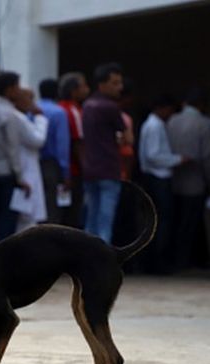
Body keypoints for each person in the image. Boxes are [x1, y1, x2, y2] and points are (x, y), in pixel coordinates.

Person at [138, 93, 187, 274]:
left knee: (160, 221)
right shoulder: (154, 126)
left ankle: (156, 260)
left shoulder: (156, 125)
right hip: (157, 177)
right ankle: (158, 261)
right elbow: (153, 156)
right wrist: (177, 160)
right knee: (162, 221)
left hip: (156, 176)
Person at [168, 88, 210, 270]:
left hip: (173, 180)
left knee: (176, 221)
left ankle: (175, 259)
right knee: (190, 224)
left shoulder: (171, 120)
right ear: (202, 105)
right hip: (195, 183)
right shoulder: (203, 124)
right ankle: (184, 261)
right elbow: (207, 157)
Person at [0, 71, 30, 243]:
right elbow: (12, 148)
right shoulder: (10, 114)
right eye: (17, 86)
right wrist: (20, 176)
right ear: (9, 89)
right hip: (6, 173)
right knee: (6, 220)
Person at [81, 62, 125, 244]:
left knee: (91, 221)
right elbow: (127, 137)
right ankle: (102, 265)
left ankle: (85, 264)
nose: (120, 87)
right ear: (102, 84)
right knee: (105, 222)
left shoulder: (87, 105)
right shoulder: (110, 107)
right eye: (115, 83)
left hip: (90, 169)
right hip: (108, 169)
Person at [12, 87, 48, 232]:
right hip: (25, 170)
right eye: (29, 98)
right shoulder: (19, 118)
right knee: (26, 217)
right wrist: (40, 118)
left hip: (28, 167)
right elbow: (37, 139)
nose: (33, 103)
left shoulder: (23, 117)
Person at [57, 71, 90, 227]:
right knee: (73, 215)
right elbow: (78, 143)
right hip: (73, 172)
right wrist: (86, 170)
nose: (87, 89)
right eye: (83, 86)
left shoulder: (58, 108)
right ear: (74, 90)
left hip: (59, 170)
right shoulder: (73, 111)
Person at [37, 78, 71, 224]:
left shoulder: (32, 109)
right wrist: (65, 172)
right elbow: (62, 145)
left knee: (36, 206)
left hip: (34, 162)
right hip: (52, 165)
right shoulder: (58, 112)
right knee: (52, 206)